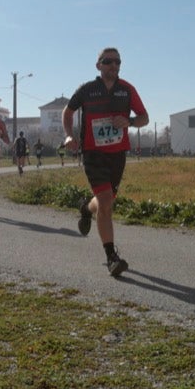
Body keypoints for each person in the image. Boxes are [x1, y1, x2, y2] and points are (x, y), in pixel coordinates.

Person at [63, 47, 149, 277]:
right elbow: (68, 112)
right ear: (98, 65)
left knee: (106, 201)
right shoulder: (87, 90)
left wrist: (129, 121)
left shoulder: (127, 90)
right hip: (93, 153)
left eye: (117, 62)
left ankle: (85, 208)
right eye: (108, 61)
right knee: (106, 201)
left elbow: (145, 118)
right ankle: (112, 257)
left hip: (117, 155)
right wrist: (69, 135)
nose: (114, 65)